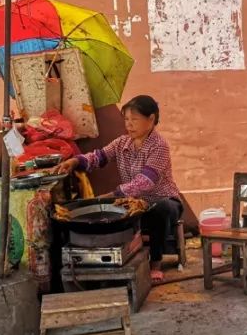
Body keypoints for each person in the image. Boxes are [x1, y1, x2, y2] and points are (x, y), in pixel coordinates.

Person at [54, 95, 182, 282]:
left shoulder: (159, 146)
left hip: (162, 201)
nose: (129, 125)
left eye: (134, 119)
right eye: (127, 120)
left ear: (151, 119)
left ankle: (156, 263)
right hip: (133, 203)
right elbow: (98, 157)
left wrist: (114, 195)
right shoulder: (122, 143)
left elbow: (145, 181)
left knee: (162, 209)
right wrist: (75, 162)